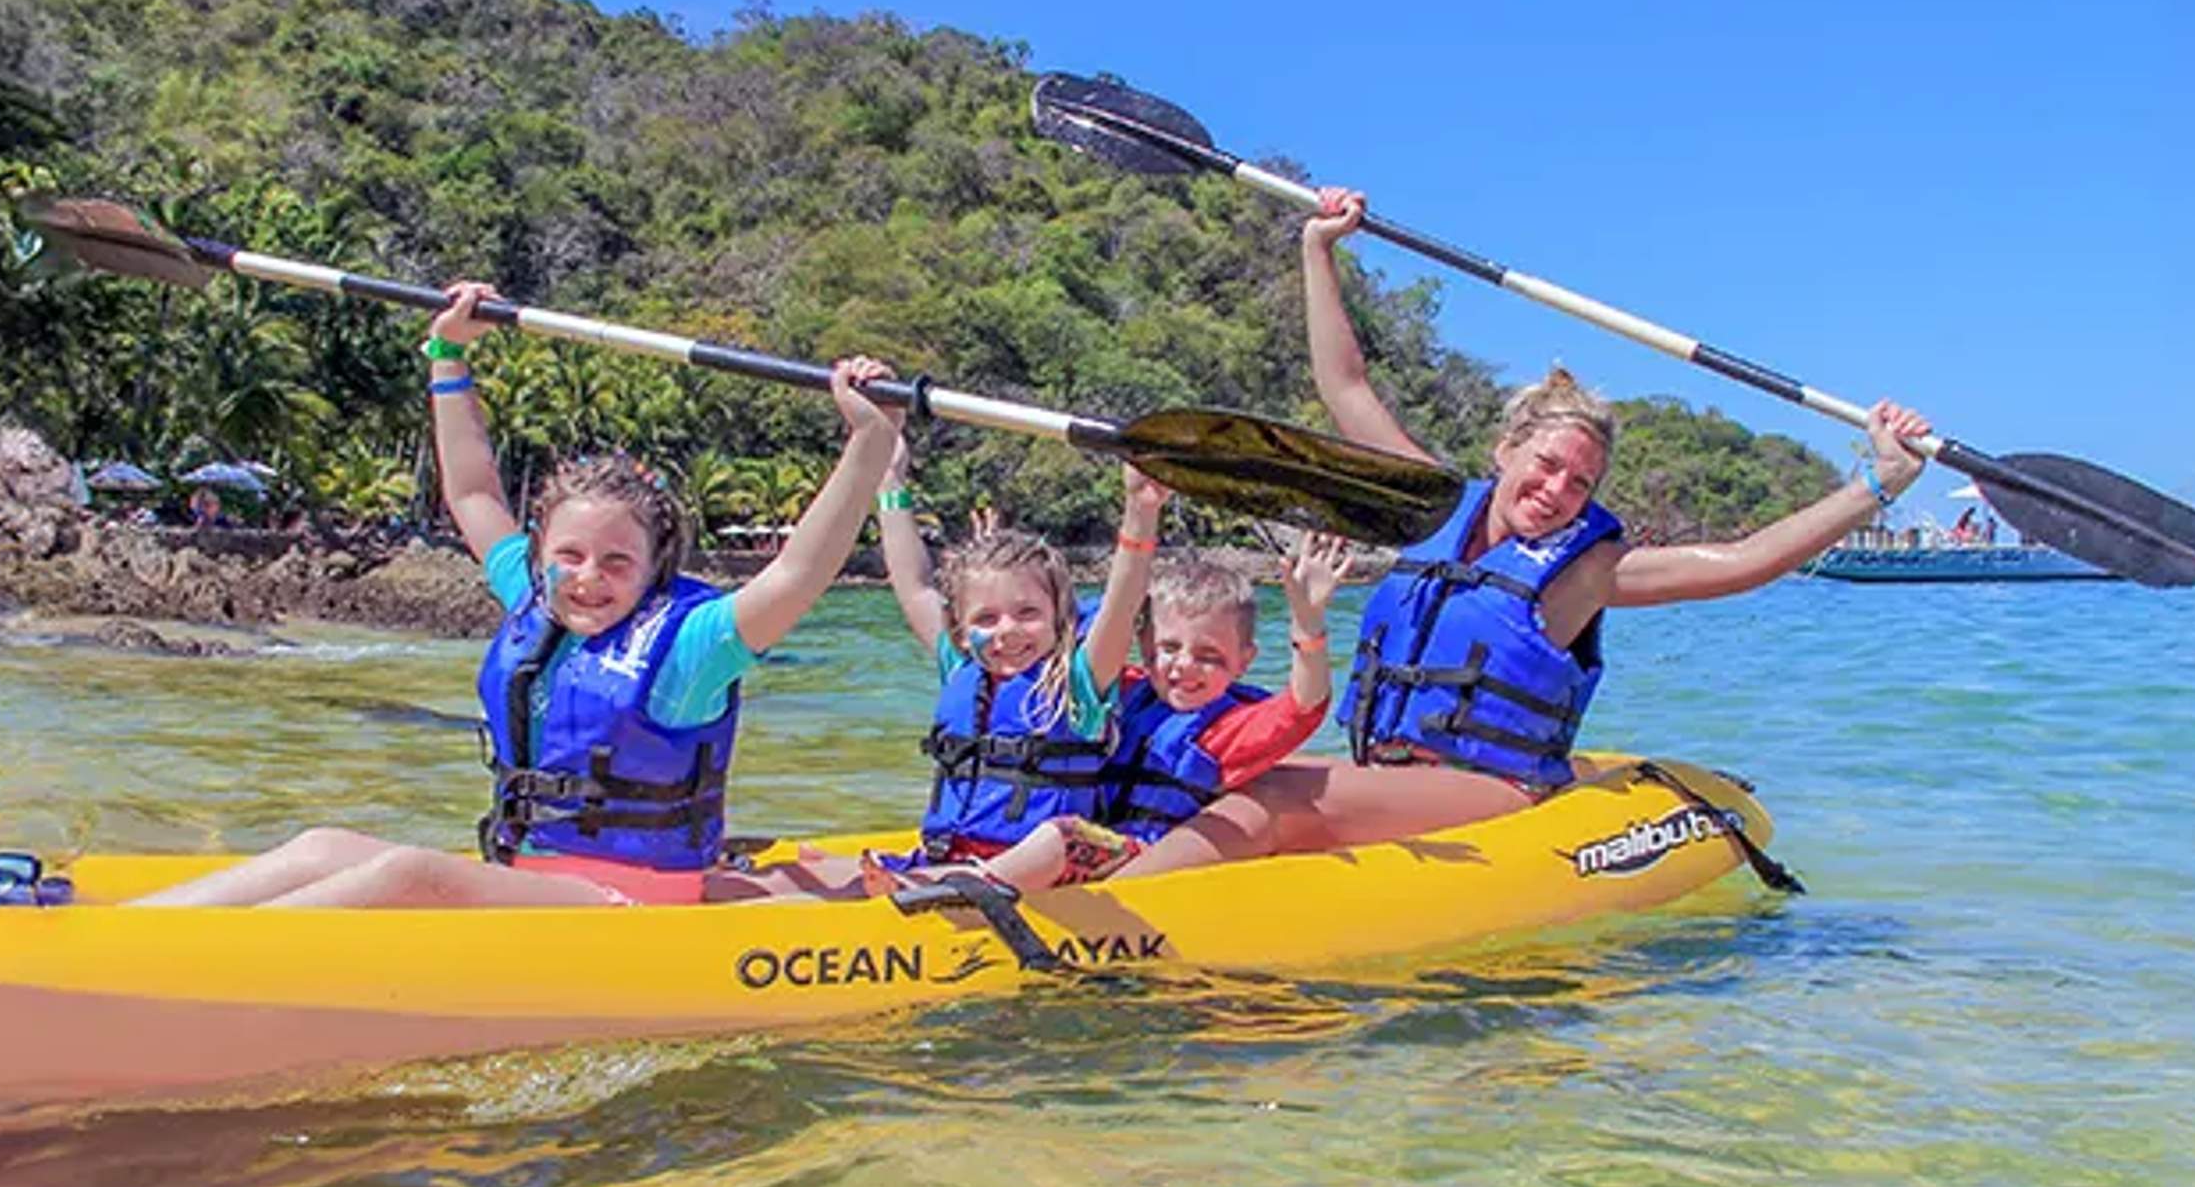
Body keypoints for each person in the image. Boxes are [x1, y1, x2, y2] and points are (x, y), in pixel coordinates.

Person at [1107, 188, 1934, 870]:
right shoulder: (1431, 505)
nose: (1557, 489)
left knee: (1278, 798)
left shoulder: (1586, 569)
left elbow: (1746, 562)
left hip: (1493, 788)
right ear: (1504, 451)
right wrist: (1318, 250)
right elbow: (1345, 384)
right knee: (1209, 774)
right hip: (1389, 773)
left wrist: (1875, 483)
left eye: (1581, 481)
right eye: (1544, 465)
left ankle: (1088, 922)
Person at [141, 284, 905, 909]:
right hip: (528, 879)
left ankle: (173, 969)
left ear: (653, 568)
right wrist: (447, 357)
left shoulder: (691, 647)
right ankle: (122, 935)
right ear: (540, 555)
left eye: (616, 562)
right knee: (321, 847)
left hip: (626, 900)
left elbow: (799, 572)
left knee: (409, 874)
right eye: (568, 556)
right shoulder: (534, 602)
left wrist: (868, 441)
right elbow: (473, 490)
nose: (586, 577)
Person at [960, 473, 1348, 890]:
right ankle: (940, 880)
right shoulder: (1123, 691)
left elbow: (1304, 705)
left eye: (1209, 657)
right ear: (1144, 647)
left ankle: (965, 897)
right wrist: (1000, 575)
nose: (1185, 666)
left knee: (1064, 836)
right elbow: (1058, 636)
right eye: (1169, 648)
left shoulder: (1224, 732)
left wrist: (1309, 625)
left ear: (1243, 662)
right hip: (1071, 857)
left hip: (1143, 862)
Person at [873, 468, 1116, 866]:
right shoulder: (961, 665)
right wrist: (890, 483)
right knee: (800, 872)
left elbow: (1122, 602)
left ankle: (929, 887)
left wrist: (1141, 513)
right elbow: (913, 586)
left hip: (1042, 869)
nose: (1007, 632)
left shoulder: (1077, 682)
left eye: (1027, 613)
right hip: (949, 857)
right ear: (963, 630)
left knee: (1054, 839)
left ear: (1059, 616)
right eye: (986, 619)